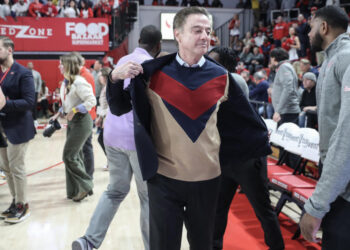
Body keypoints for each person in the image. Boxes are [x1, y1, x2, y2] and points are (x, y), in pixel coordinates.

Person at [107, 7, 271, 250]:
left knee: (203, 245)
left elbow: (247, 126)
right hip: (163, 180)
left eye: (207, 31)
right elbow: (119, 108)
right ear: (178, 35)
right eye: (197, 30)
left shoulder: (223, 78)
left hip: (208, 181)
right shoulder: (153, 73)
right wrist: (114, 78)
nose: (205, 36)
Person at [72, 25, 162, 250]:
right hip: (136, 140)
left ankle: (89, 241)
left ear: (138, 40)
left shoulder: (121, 62)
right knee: (148, 198)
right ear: (158, 46)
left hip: (111, 136)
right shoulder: (152, 67)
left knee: (114, 191)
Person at [208, 47, 284, 250]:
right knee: (218, 209)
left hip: (248, 156)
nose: (207, 62)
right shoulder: (214, 79)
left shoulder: (232, 81)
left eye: (212, 60)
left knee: (263, 210)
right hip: (227, 155)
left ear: (224, 65)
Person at [299, 6, 350, 248]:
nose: (308, 34)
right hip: (339, 181)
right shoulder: (331, 60)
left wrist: (317, 205)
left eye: (310, 27)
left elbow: (347, 136)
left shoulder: (346, 58)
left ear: (324, 27)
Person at [51, 53, 96, 202]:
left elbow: (91, 101)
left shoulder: (79, 82)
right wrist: (58, 114)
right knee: (75, 156)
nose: (59, 66)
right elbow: (66, 103)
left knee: (68, 156)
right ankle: (74, 191)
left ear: (68, 65)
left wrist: (75, 110)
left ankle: (86, 185)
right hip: (73, 122)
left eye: (61, 64)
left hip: (82, 122)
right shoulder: (66, 82)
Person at [0, 36, 35, 223]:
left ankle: (23, 205)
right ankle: (15, 202)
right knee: (6, 168)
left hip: (18, 128)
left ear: (9, 50)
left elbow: (29, 102)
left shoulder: (23, 72)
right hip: (2, 128)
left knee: (16, 167)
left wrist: (6, 105)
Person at [72, 52, 96, 179]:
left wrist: (74, 110)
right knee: (84, 147)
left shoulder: (85, 76)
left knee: (86, 147)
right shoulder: (82, 75)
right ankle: (86, 174)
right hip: (84, 115)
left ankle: (88, 175)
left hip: (86, 115)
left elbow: (88, 100)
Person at [270, 47, 300, 126]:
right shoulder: (285, 66)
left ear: (274, 58)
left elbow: (288, 89)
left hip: (286, 111)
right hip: (286, 110)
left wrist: (278, 111)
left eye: (271, 58)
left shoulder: (284, 67)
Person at [27, 62, 42, 126]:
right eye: (29, 64)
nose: (30, 65)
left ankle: (35, 120)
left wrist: (38, 92)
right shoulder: (24, 72)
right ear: (27, 66)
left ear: (33, 65)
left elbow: (39, 82)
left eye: (31, 64)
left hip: (34, 92)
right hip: (27, 92)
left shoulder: (37, 73)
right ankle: (27, 120)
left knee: (34, 106)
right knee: (27, 106)